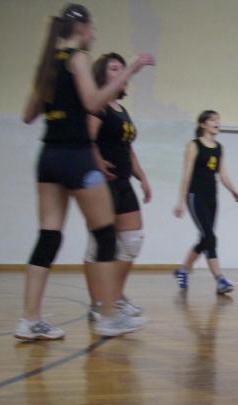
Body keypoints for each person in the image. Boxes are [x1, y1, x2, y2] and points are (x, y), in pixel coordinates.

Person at [15, 3, 154, 340]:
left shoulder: (48, 63)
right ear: (82, 28)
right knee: (106, 235)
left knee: (49, 237)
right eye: (93, 29)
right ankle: (108, 316)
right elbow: (93, 103)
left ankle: (29, 320)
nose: (94, 35)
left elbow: (28, 115)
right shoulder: (77, 58)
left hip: (48, 157)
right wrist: (130, 68)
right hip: (76, 158)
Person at [84, 52, 152, 322]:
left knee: (132, 241)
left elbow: (128, 149)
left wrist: (142, 177)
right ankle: (98, 303)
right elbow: (87, 138)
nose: (121, 72)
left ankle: (115, 297)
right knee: (100, 244)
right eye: (114, 68)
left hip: (123, 183)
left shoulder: (121, 111)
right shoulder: (98, 106)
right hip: (101, 183)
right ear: (102, 75)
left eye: (123, 68)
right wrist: (97, 160)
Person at [173, 111, 238, 294]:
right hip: (195, 196)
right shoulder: (193, 146)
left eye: (218, 119)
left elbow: (223, 174)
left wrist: (233, 190)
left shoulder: (219, 148)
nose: (217, 122)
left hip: (212, 197)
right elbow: (186, 175)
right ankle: (219, 279)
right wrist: (180, 201)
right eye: (212, 120)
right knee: (210, 237)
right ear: (203, 124)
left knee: (205, 238)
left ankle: (183, 269)